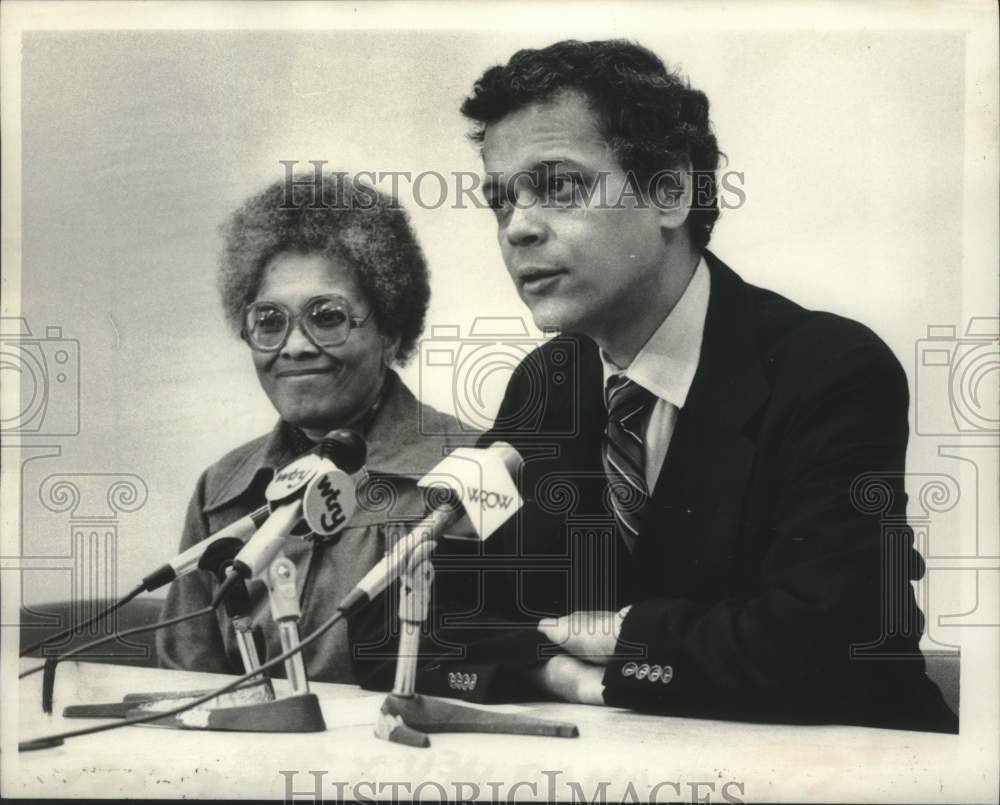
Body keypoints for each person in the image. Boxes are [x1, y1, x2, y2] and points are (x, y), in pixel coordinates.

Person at [415, 39, 957, 732]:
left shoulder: (831, 369)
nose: (518, 227)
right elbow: (439, 621)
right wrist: (575, 679)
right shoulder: (546, 385)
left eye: (559, 185)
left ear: (670, 192)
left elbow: (830, 640)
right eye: (501, 200)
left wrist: (623, 643)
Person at [157, 172, 468, 685]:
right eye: (269, 321)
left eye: (326, 316)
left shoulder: (471, 471)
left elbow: (505, 670)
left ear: (390, 330)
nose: (294, 346)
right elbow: (184, 686)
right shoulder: (221, 491)